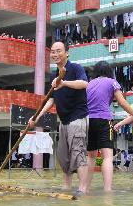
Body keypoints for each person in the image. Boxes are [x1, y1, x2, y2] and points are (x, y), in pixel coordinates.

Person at [29, 41, 89, 194]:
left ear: (67, 52)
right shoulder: (54, 75)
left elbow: (84, 84)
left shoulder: (75, 68)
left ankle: (83, 188)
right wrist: (37, 117)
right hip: (63, 120)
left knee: (78, 152)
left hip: (78, 117)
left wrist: (64, 83)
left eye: (59, 51)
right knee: (63, 156)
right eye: (53, 52)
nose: (55, 54)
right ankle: (67, 186)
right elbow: (51, 99)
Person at [85, 61, 133, 192]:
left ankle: (85, 188)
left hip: (88, 121)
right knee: (108, 156)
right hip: (104, 120)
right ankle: (107, 190)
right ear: (109, 72)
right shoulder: (112, 82)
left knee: (90, 156)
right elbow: (122, 102)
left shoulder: (89, 84)